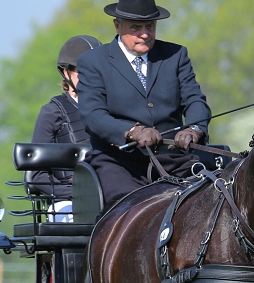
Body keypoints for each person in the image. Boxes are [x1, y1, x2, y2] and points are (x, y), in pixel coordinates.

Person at [77, 0, 211, 203]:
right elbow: (93, 116)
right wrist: (132, 131)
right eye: (136, 28)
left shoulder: (175, 56)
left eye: (150, 26)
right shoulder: (93, 62)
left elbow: (195, 100)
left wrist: (194, 128)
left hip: (175, 160)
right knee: (128, 210)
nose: (145, 34)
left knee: (210, 201)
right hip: (119, 163)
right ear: (117, 25)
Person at [28, 34, 101, 220]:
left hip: (112, 193)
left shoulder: (114, 109)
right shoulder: (52, 113)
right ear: (65, 72)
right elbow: (36, 175)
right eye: (83, 72)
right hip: (68, 201)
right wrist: (78, 192)